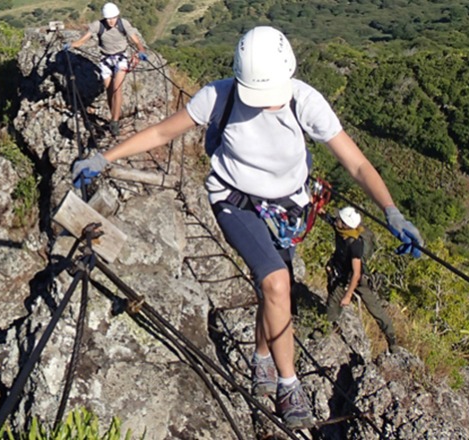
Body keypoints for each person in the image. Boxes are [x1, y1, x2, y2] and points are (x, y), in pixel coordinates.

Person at [71, 26, 423, 429]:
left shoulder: (305, 101)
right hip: (234, 200)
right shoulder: (219, 95)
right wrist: (106, 156)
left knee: (271, 290)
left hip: (288, 208)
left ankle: (261, 359)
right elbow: (163, 131)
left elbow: (356, 163)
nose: (267, 105)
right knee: (276, 283)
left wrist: (391, 210)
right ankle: (288, 385)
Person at [63, 2, 148, 136]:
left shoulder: (123, 24)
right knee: (109, 91)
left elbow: (136, 41)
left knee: (116, 88)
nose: (111, 21)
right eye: (108, 19)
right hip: (105, 60)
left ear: (117, 16)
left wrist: (141, 51)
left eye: (113, 18)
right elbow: (82, 40)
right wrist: (71, 45)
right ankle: (114, 115)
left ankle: (114, 121)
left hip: (120, 58)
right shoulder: (98, 25)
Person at [324, 206, 397, 350]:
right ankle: (328, 325)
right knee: (333, 300)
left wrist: (348, 295)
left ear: (345, 224)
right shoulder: (341, 228)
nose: (336, 220)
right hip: (342, 274)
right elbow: (325, 217)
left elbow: (356, 273)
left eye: (339, 219)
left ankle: (391, 339)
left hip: (357, 278)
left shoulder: (355, 244)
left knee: (375, 309)